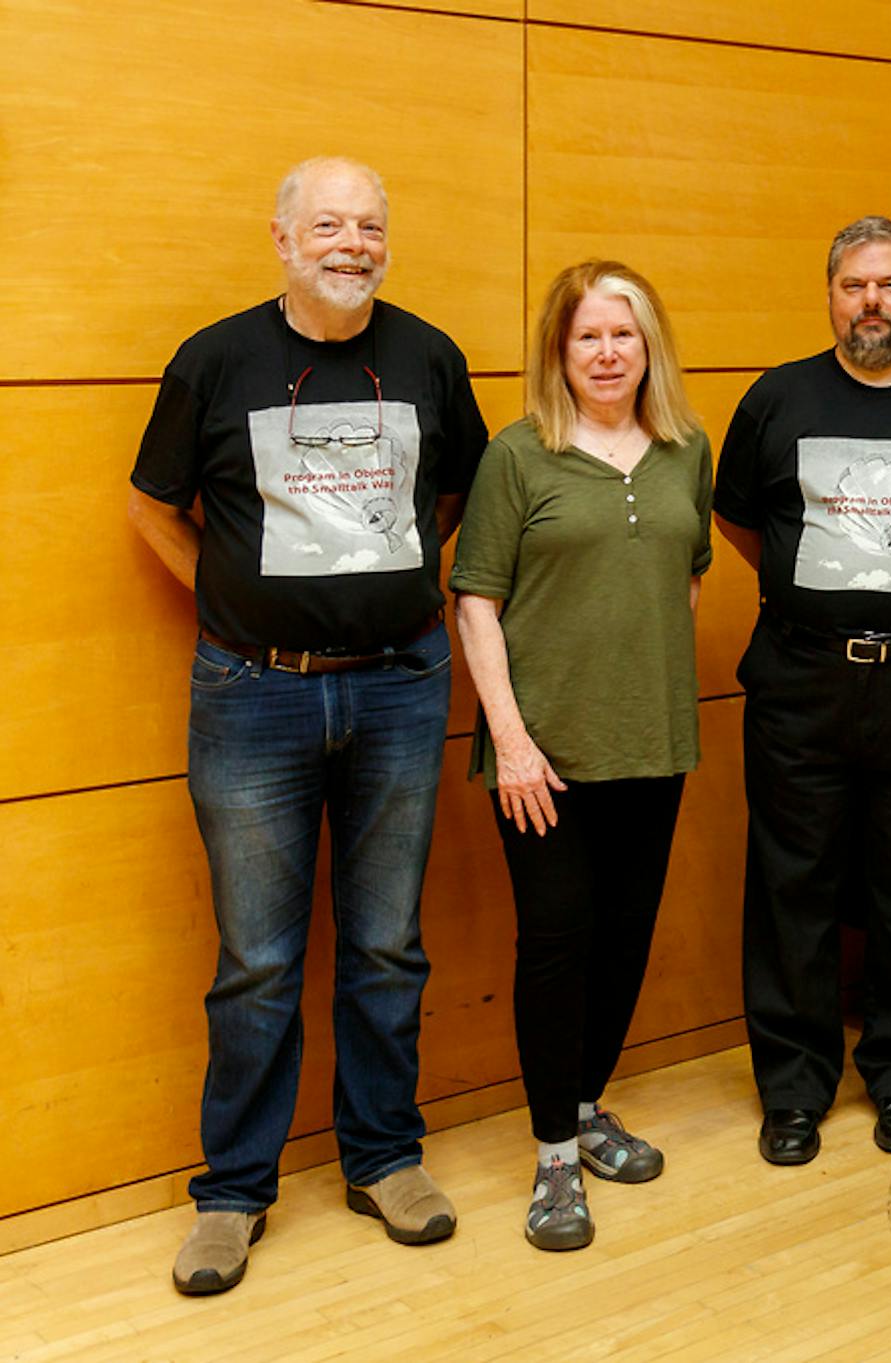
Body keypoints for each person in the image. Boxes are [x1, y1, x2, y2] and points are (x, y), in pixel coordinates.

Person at [127, 156, 487, 1294]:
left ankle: (385, 1156)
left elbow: (460, 497)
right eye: (327, 225)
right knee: (257, 960)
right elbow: (152, 504)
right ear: (281, 239)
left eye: (369, 225)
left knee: (386, 944)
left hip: (398, 685)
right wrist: (234, 607)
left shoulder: (429, 356)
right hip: (252, 694)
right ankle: (233, 1191)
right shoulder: (214, 359)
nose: (351, 243)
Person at [714, 216, 891, 1166]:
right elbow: (747, 524)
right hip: (802, 680)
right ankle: (793, 1089)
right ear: (829, 293)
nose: (872, 302)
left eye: (890, 285)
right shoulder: (776, 398)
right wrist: (819, 595)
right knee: (792, 885)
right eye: (853, 286)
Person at [450, 260, 712, 1250]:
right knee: (556, 943)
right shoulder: (518, 456)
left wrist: (642, 679)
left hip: (651, 742)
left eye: (624, 335)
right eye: (587, 337)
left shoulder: (687, 449)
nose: (607, 354)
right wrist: (510, 740)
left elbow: (685, 575)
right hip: (541, 756)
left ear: (650, 347)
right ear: (558, 351)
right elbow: (475, 600)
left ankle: (589, 1102)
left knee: (624, 937)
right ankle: (556, 1153)